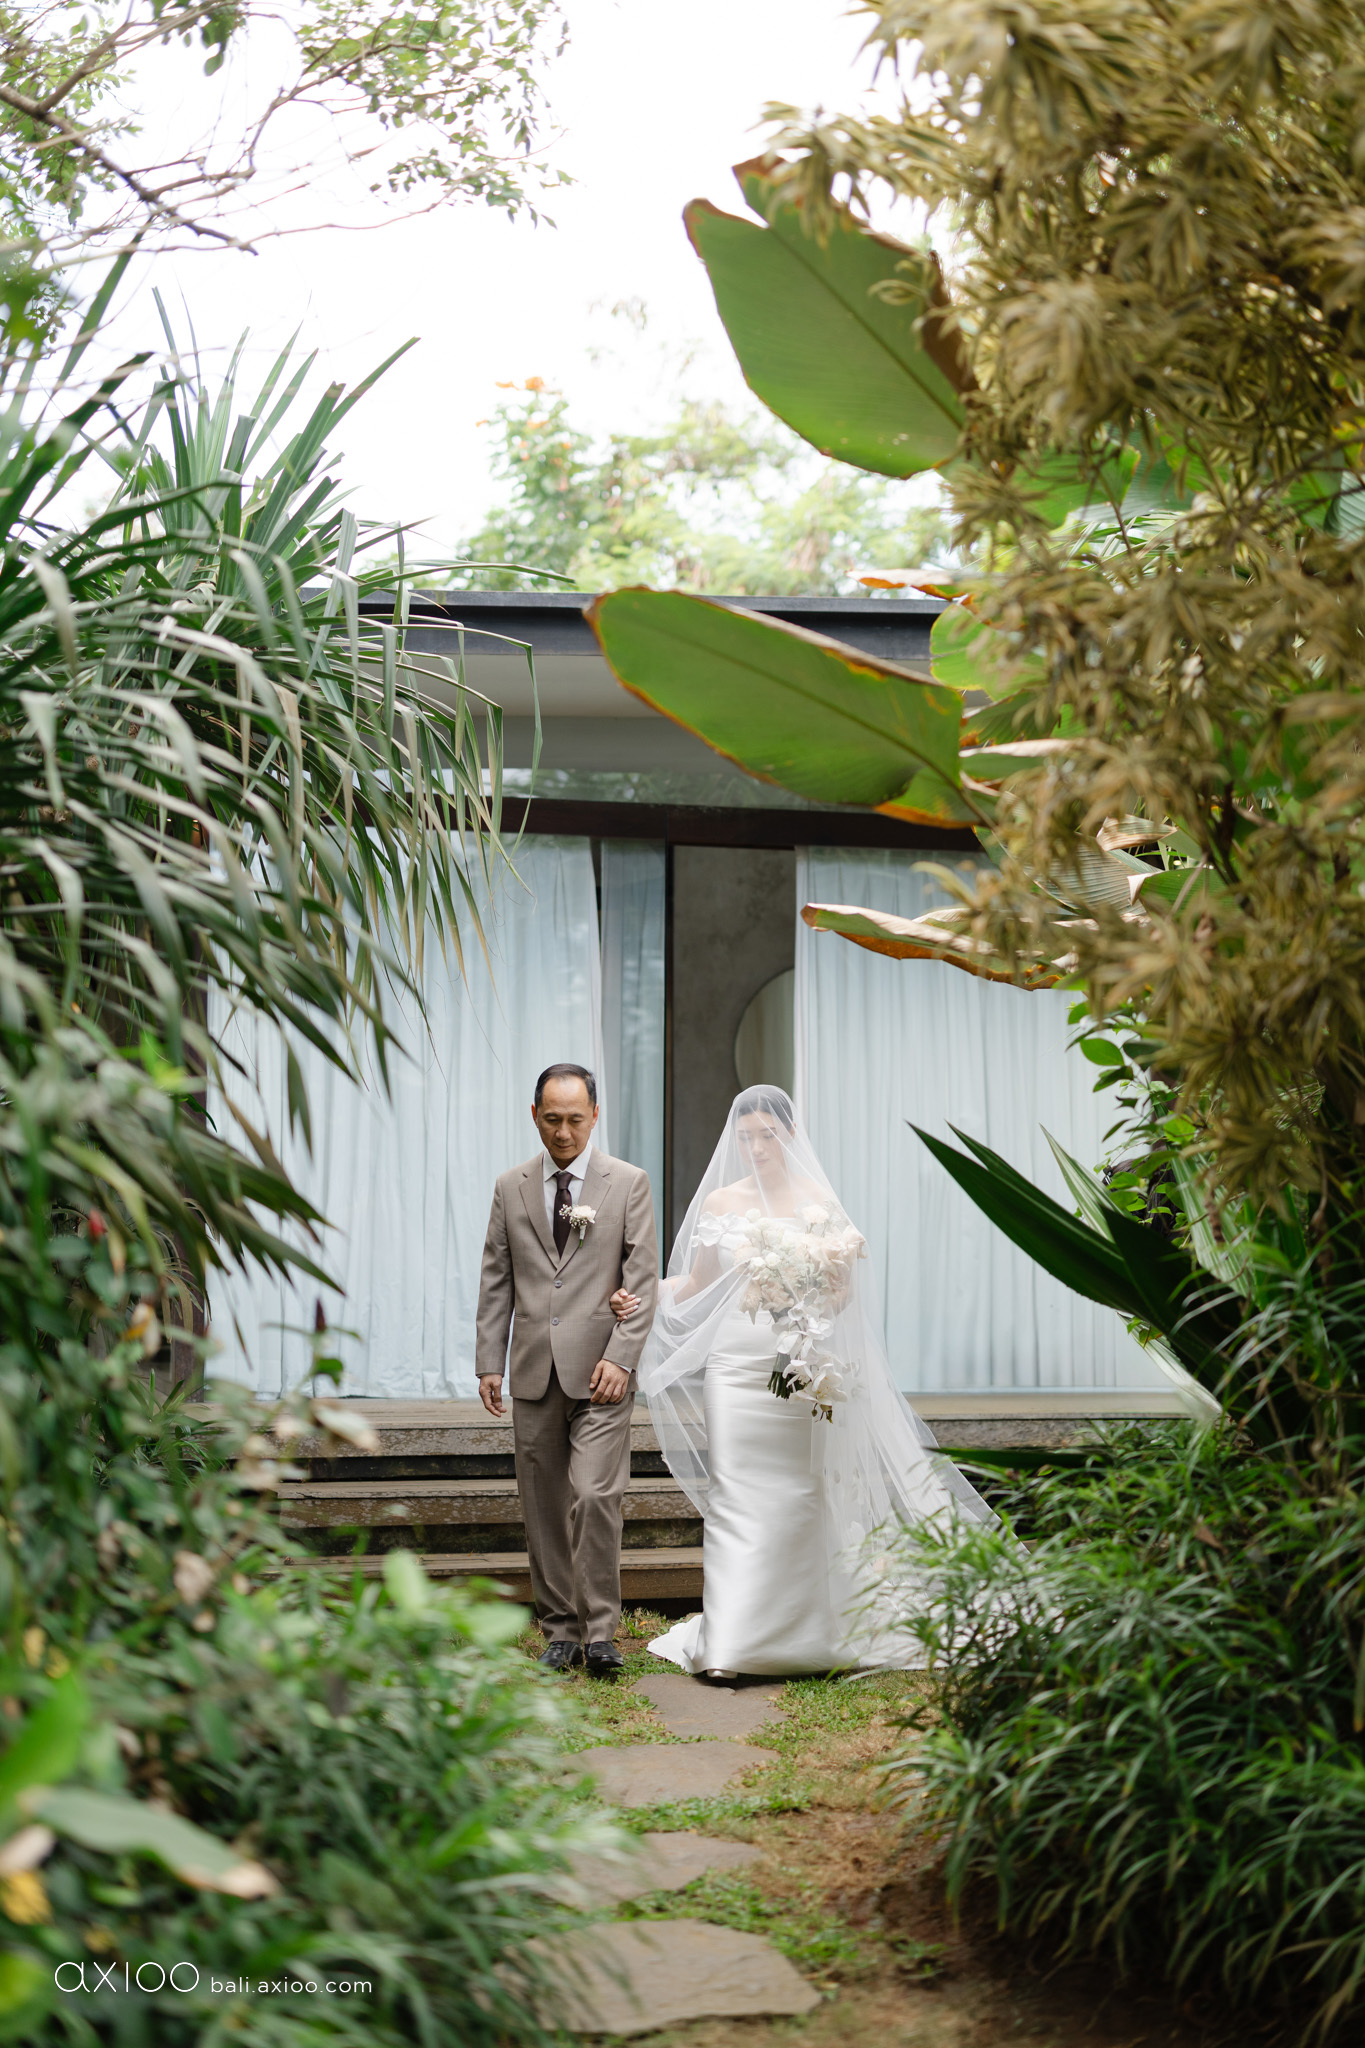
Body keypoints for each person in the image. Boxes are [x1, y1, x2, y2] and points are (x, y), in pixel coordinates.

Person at [611, 1085, 991, 1678]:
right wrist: (644, 1298)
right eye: (746, 1137)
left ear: (790, 1134)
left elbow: (843, 1296)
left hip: (797, 1367)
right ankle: (731, 1645)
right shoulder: (720, 1203)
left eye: (768, 1135)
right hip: (735, 1365)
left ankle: (809, 1628)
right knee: (735, 1491)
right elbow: (696, 1284)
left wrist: (803, 1301)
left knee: (801, 1492)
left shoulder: (820, 1203)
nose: (757, 1147)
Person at [476, 1063, 658, 1675]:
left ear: (595, 1116)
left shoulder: (628, 1184)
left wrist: (622, 1357)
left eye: (575, 1119)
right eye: (551, 1119)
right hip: (531, 1369)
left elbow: (642, 1281)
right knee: (543, 1502)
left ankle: (600, 1631)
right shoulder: (510, 1187)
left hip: (602, 1371)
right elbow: (497, 1279)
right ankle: (560, 1629)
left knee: (594, 1495)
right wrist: (488, 1362)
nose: (563, 1132)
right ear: (534, 1115)